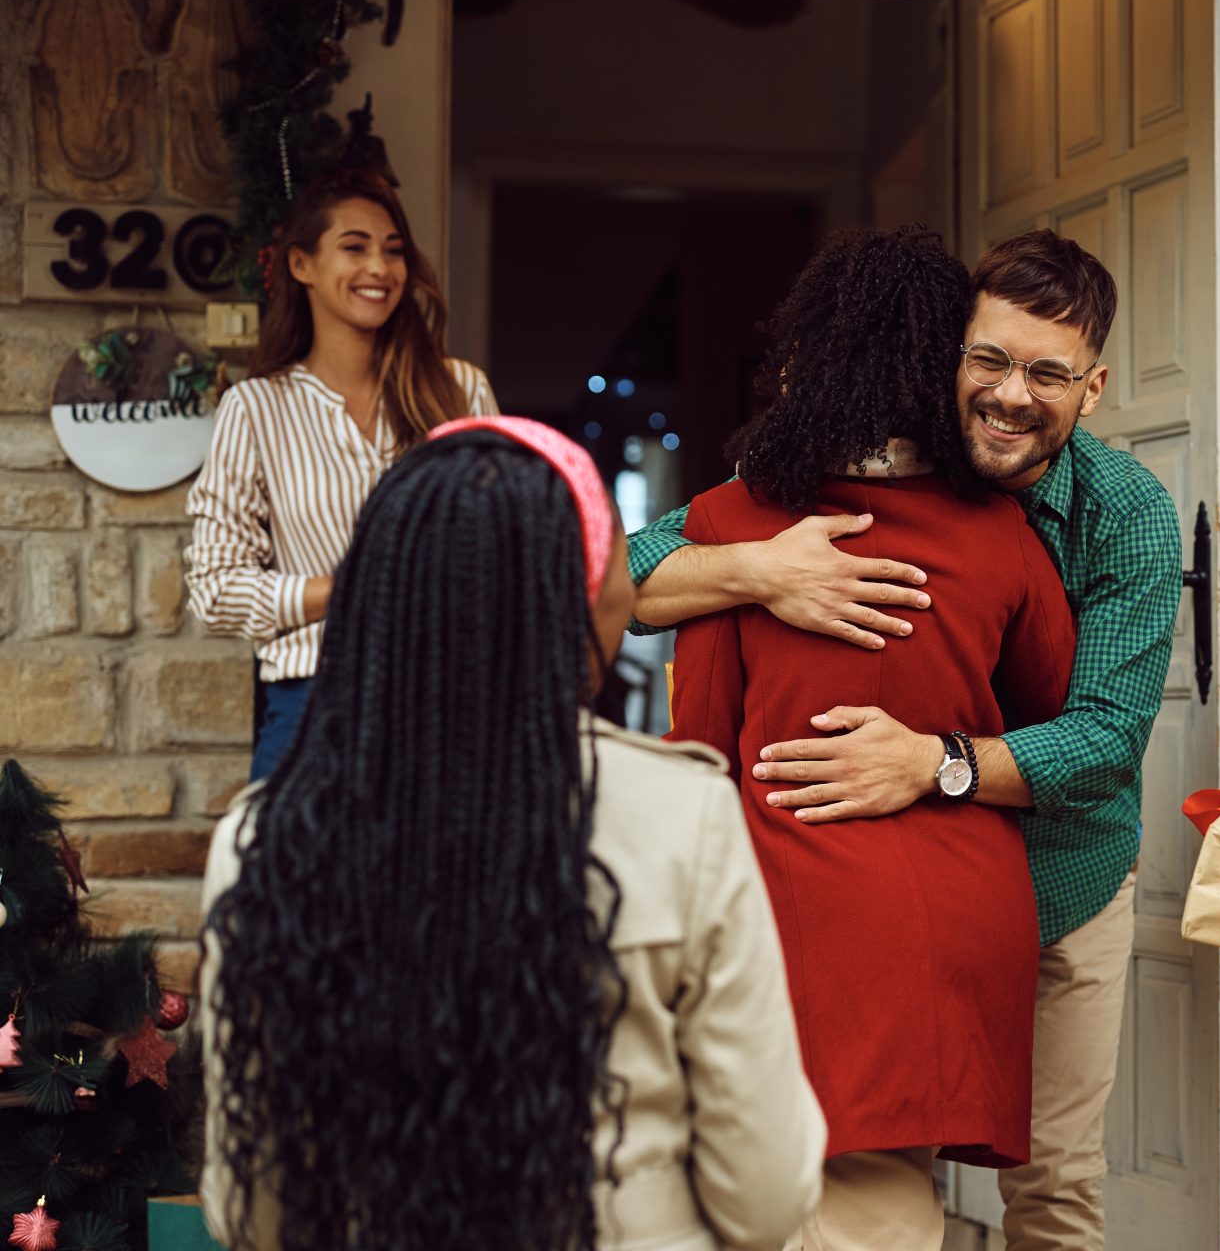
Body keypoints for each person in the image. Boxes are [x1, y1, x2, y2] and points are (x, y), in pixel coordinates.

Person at [629, 230, 1182, 1249]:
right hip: (935, 888)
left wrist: (936, 758)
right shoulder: (783, 515)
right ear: (942, 355)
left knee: (1051, 1183)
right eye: (990, 361)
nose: (1012, 395)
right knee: (880, 1162)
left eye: (1047, 374)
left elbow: (1101, 737)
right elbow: (621, 573)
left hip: (1067, 865)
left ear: (1092, 388)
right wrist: (760, 568)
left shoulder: (1128, 514)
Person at [199, 417, 825, 1251]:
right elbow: (766, 1198)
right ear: (586, 602)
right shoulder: (686, 817)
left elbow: (251, 1210)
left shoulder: (261, 838)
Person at [186, 169, 498, 783]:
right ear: (300, 264)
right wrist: (348, 586)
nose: (379, 269)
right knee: (291, 879)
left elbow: (503, 542)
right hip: (311, 701)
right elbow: (215, 589)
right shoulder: (255, 408)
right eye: (355, 247)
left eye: (393, 251)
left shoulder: (461, 389)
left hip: (449, 698)